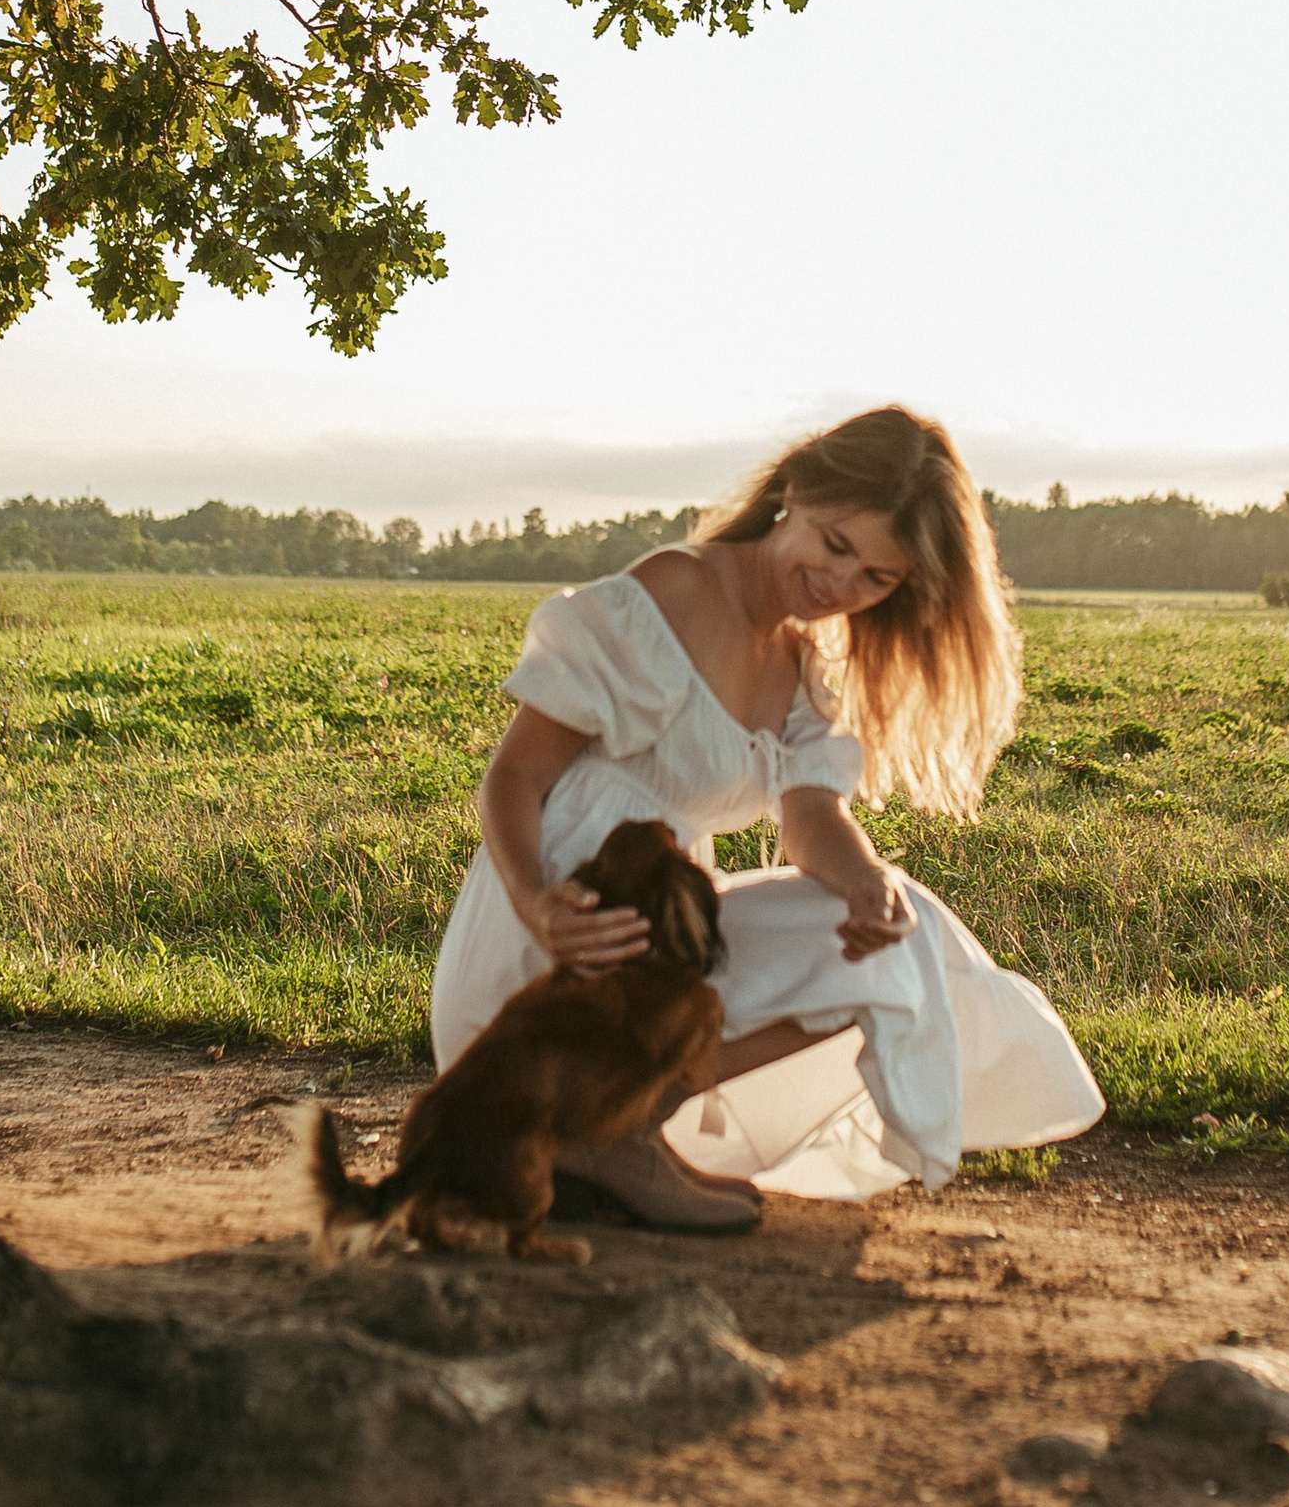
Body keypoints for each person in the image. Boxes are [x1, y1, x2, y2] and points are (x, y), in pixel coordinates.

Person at [427, 405, 1104, 1227]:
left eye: (875, 578)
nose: (839, 585)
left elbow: (810, 816)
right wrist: (536, 901)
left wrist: (862, 882)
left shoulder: (809, 658)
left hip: (664, 940)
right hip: (551, 941)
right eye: (835, 544)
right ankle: (579, 1124)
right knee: (881, 936)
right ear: (795, 488)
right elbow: (514, 774)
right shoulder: (671, 592)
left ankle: (621, 1128)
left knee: (900, 936)